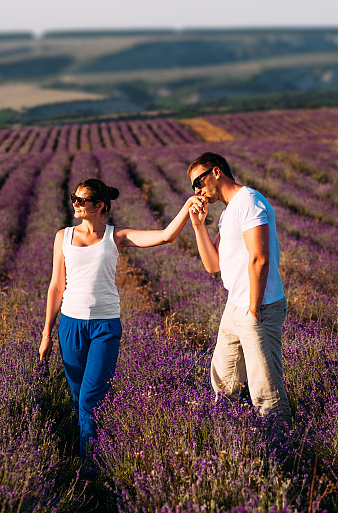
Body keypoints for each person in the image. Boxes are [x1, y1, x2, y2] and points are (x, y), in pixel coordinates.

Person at [39, 178, 200, 459]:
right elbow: (56, 286)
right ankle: (91, 450)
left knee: (91, 397)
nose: (75, 204)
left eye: (82, 200)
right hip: (70, 325)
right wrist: (46, 334)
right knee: (79, 398)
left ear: (99, 205)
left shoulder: (116, 236)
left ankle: (91, 465)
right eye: (74, 198)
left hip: (105, 326)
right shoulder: (62, 236)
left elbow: (165, 236)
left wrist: (187, 206)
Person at [186, 152, 291, 423]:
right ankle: (229, 429)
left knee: (265, 387)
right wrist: (198, 225)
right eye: (193, 186)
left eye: (198, 182)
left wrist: (254, 308)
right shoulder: (230, 210)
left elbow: (260, 258)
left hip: (259, 304)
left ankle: (283, 447)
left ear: (216, 172)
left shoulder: (249, 201)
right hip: (236, 304)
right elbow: (213, 265)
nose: (197, 190)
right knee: (224, 377)